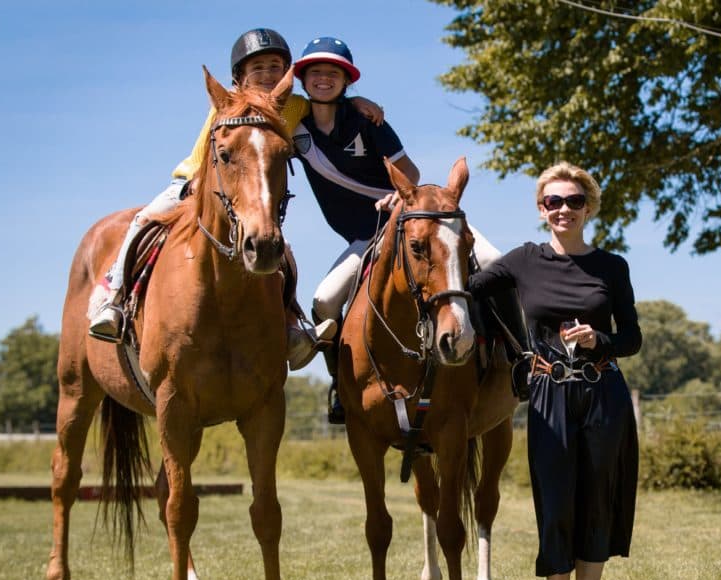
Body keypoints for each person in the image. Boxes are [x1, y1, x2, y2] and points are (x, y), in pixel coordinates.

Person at [87, 28, 384, 371]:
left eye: (276, 67)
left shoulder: (294, 105)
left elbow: (327, 102)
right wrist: (196, 186)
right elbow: (210, 158)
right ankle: (113, 295)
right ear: (239, 79)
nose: (268, 74)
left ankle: (290, 321)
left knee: (280, 249)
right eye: (258, 68)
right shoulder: (228, 102)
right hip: (193, 181)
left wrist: (356, 102)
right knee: (144, 219)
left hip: (247, 195)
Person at [290, 36, 515, 423]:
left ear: (347, 81)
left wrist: (399, 197)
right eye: (315, 72)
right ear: (303, 79)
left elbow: (409, 172)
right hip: (364, 237)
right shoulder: (294, 126)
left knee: (496, 261)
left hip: (417, 220)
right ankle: (341, 386)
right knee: (325, 301)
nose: (323, 79)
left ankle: (518, 359)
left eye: (333, 73)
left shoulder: (368, 120)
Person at [467, 162, 641, 580]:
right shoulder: (522, 261)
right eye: (552, 201)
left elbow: (632, 338)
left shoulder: (613, 267)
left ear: (589, 206)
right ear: (541, 209)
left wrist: (598, 338)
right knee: (555, 507)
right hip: (548, 397)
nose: (563, 209)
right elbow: (463, 281)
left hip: (602, 394)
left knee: (594, 505)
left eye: (573, 201)